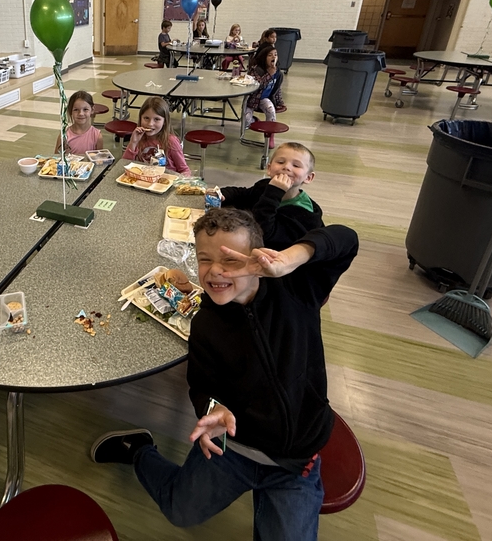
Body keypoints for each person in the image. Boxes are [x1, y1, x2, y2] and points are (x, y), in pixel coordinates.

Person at [91, 208, 358, 541]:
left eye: (231, 260)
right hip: (234, 449)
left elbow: (346, 238)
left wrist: (293, 257)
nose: (215, 271)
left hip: (295, 463)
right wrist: (212, 409)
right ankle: (140, 450)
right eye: (205, 259)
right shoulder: (206, 323)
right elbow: (202, 385)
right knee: (179, 510)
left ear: (259, 259)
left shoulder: (298, 290)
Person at [222, 142, 323, 249]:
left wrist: (274, 192)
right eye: (280, 162)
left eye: (296, 165)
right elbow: (243, 194)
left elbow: (263, 232)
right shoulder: (265, 185)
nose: (286, 167)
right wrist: (221, 194)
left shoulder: (304, 213)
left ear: (308, 178)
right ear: (269, 168)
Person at [123, 96, 191, 177]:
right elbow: (125, 165)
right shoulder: (138, 138)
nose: (150, 124)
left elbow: (184, 170)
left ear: (165, 121)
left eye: (157, 119)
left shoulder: (171, 141)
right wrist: (133, 143)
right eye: (146, 118)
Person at [245, 43, 285, 129]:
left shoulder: (278, 73)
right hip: (252, 99)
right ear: (264, 58)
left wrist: (280, 102)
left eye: (275, 55)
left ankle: (269, 132)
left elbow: (277, 89)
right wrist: (269, 75)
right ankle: (254, 120)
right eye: (270, 55)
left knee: (271, 110)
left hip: (264, 98)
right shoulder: (256, 70)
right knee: (246, 120)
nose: (273, 57)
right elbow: (257, 86)